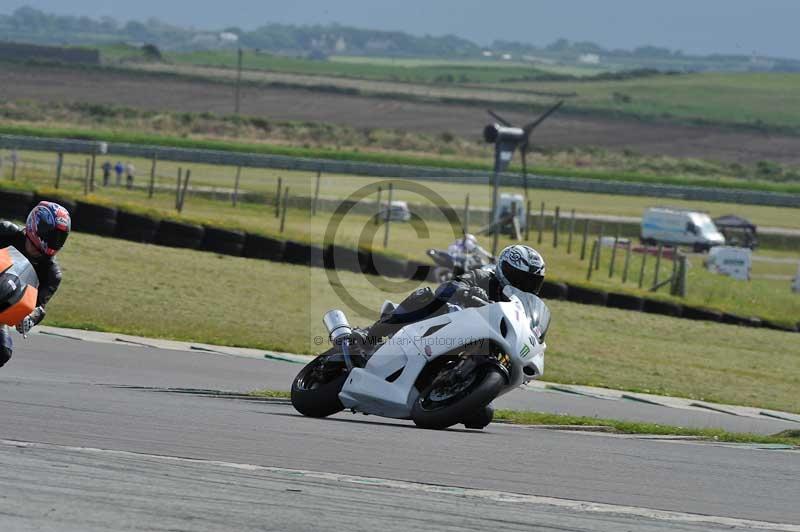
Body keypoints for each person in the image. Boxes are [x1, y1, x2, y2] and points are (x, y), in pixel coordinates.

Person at [364, 244, 546, 344]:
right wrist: (467, 293)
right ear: (506, 270)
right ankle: (370, 336)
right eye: (520, 278)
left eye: (531, 282)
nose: (524, 285)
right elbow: (449, 286)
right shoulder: (484, 276)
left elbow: (530, 328)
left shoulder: (522, 305)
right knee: (425, 296)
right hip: (448, 326)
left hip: (481, 341)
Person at [0, 202, 70, 368]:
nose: (55, 241)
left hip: (1, 309)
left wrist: (28, 318)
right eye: (52, 235)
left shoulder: (51, 274)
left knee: (3, 350)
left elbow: (38, 306)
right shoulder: (5, 231)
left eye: (60, 237)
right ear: (37, 225)